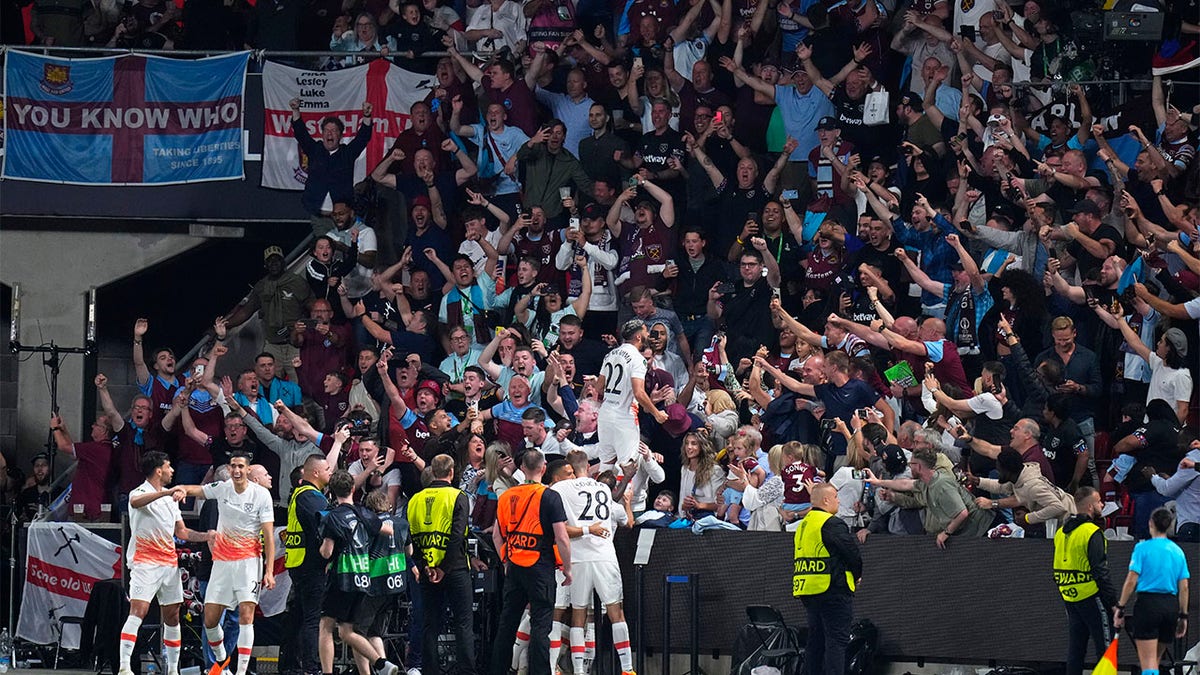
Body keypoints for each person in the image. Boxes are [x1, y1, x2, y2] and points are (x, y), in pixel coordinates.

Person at [178, 453, 276, 675]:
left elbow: (269, 536)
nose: (237, 470)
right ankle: (221, 661)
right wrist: (182, 489)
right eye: (233, 466)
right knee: (211, 621)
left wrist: (269, 571)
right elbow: (197, 489)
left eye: (241, 466)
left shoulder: (261, 495)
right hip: (221, 563)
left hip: (249, 562)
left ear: (248, 470)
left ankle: (239, 671)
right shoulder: (222, 488)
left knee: (246, 616)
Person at [118, 452, 211, 675]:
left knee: (172, 614)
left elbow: (182, 531)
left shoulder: (171, 501)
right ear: (158, 470)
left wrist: (207, 536)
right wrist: (168, 492)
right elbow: (134, 502)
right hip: (145, 562)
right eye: (169, 467)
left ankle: (172, 669)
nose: (172, 471)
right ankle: (124, 667)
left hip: (169, 564)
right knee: (138, 610)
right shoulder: (140, 492)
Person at [491, 450, 574, 675]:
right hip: (540, 565)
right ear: (544, 468)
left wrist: (505, 561)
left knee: (507, 623)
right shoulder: (549, 496)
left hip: (515, 565)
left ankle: (498, 670)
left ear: (522, 469)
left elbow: (497, 535)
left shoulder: (506, 496)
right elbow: (562, 537)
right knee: (541, 625)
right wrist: (567, 569)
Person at [553, 451, 634, 675]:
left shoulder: (562, 488)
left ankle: (579, 671)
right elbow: (625, 520)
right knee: (616, 611)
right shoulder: (603, 488)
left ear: (569, 469)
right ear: (588, 466)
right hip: (605, 554)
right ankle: (627, 669)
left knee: (578, 614)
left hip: (578, 557)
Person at [318, 470, 400, 675]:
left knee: (326, 625)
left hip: (343, 577)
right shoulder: (364, 513)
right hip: (364, 577)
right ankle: (381, 664)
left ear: (331, 491)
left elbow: (327, 552)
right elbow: (388, 530)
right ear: (353, 489)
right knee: (347, 631)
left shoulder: (333, 517)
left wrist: (321, 549)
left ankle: (327, 672)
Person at [407, 454, 476, 675]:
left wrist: (425, 565)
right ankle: (467, 671)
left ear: (432, 471)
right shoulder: (458, 496)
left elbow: (412, 537)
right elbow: (457, 536)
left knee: (430, 624)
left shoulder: (415, 499)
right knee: (463, 623)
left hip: (427, 569)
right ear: (452, 472)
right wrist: (444, 568)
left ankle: (430, 671)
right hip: (454, 568)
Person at [792, 482, 862, 675]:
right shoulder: (831, 523)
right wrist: (857, 575)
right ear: (825, 500)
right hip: (833, 588)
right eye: (836, 497)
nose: (838, 501)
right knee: (836, 642)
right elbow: (851, 552)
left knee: (816, 641)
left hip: (808, 590)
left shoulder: (804, 524)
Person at [1112, 507, 1191, 675]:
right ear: (1170, 525)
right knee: (1155, 660)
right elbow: (1184, 587)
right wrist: (1183, 615)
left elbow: (1131, 579)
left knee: (1147, 663)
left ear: (1150, 524)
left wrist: (1120, 606)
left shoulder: (1142, 549)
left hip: (1148, 605)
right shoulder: (1178, 551)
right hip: (1170, 607)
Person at [280, 453, 333, 675]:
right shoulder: (311, 497)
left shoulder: (302, 494)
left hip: (298, 562)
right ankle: (311, 667)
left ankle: (289, 665)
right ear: (316, 473)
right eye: (327, 469)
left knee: (299, 616)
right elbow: (325, 527)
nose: (331, 472)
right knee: (313, 618)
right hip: (310, 565)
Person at [1053, 487, 1116, 675]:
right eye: (1098, 502)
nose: (1102, 505)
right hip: (1091, 595)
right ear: (1090, 507)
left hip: (1069, 596)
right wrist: (1112, 603)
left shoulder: (1061, 532)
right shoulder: (1091, 532)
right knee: (1106, 648)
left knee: (1076, 649)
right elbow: (1100, 571)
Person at [595, 320, 669, 469]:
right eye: (645, 331)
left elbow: (598, 387)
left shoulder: (609, 355)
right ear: (638, 337)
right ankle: (626, 492)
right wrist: (657, 414)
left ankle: (606, 490)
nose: (648, 334)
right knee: (629, 465)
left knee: (606, 464)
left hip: (605, 414)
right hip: (624, 415)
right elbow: (639, 392)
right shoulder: (638, 359)